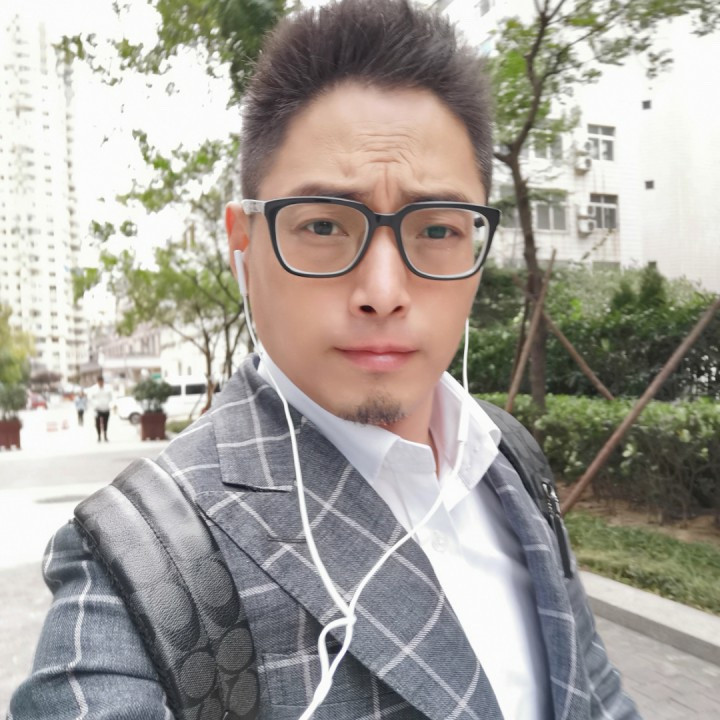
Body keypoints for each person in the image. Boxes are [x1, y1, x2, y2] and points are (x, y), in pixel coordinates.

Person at [9, 1, 641, 718]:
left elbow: (595, 693)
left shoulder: (509, 460)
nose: (383, 292)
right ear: (243, 245)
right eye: (321, 225)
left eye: (437, 229)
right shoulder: (143, 568)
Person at [89, 375, 112, 442]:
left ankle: (105, 436)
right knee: (97, 423)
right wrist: (95, 404)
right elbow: (90, 398)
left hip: (106, 408)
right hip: (97, 409)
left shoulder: (108, 388)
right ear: (97, 381)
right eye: (99, 381)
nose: (101, 383)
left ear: (103, 381)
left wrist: (110, 404)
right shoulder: (93, 389)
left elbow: (111, 397)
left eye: (102, 381)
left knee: (105, 423)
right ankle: (99, 436)